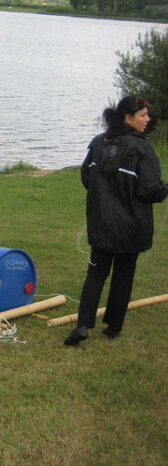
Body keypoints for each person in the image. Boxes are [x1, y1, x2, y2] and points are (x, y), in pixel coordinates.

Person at [64, 97, 168, 346]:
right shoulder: (141, 148)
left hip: (102, 222)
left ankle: (84, 323)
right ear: (127, 118)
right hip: (130, 226)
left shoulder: (99, 143)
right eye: (143, 115)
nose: (147, 119)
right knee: (122, 274)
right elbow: (149, 189)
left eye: (147, 114)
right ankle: (113, 326)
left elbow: (87, 176)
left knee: (96, 273)